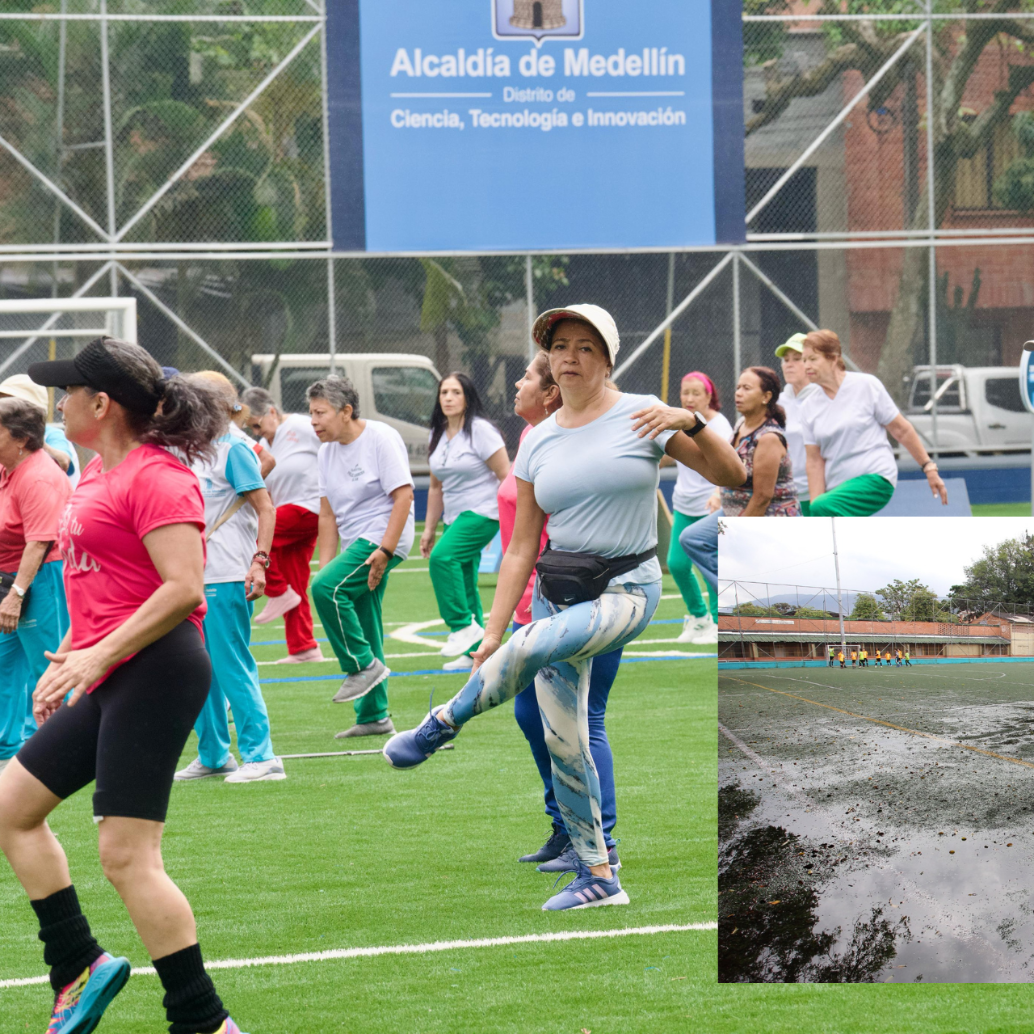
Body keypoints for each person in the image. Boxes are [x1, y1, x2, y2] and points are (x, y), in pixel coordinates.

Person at [383, 304, 746, 910]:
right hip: (559, 588)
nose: (570, 357)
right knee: (563, 736)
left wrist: (693, 418)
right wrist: (491, 632)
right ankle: (601, 878)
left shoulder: (643, 415)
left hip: (629, 590)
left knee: (533, 646)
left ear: (607, 359)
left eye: (584, 347)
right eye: (560, 347)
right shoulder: (538, 441)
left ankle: (443, 723)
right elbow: (523, 543)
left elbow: (732, 474)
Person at [0, 337, 248, 1034]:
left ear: (101, 403)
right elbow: (112, 585)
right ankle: (77, 964)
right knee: (10, 806)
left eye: (67, 391)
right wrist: (72, 653)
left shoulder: (158, 476)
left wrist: (93, 657)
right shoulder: (94, 474)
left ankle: (203, 1021)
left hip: (159, 668)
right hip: (112, 667)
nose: (58, 401)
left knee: (127, 855)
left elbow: (181, 589)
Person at [503, 351, 625, 871]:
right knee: (532, 715)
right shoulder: (533, 441)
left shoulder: (575, 448)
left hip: (577, 602)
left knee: (581, 719)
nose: (517, 382)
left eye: (528, 377)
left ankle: (600, 840)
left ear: (551, 391)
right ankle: (565, 825)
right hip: (533, 604)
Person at [175, 372, 285, 784]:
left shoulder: (234, 448)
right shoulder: (194, 446)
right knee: (197, 669)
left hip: (224, 574)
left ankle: (263, 756)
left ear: (217, 406)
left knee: (231, 665)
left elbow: (266, 506)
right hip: (193, 574)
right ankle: (214, 754)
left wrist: (260, 561)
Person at [309, 376, 415, 738]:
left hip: (383, 537)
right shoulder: (325, 452)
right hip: (356, 543)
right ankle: (374, 716)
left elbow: (403, 497)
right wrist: (328, 568)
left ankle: (361, 666)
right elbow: (327, 515)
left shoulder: (380, 438)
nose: (314, 421)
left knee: (324, 589)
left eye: (320, 413)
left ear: (346, 411)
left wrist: (385, 550)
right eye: (311, 413)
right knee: (365, 619)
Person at [800, 330, 948, 517]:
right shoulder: (808, 406)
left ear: (834, 358)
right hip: (835, 491)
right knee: (816, 514)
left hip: (876, 478)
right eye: (804, 360)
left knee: (819, 509)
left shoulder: (867, 385)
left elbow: (901, 430)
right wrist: (815, 504)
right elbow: (814, 461)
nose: (806, 366)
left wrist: (929, 467)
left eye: (813, 359)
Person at [421, 373, 510, 672]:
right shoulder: (437, 433)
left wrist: (510, 520)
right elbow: (435, 488)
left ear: (467, 397)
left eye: (455, 392)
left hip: (483, 512)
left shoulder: (481, 431)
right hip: (453, 518)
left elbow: (506, 476)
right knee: (465, 579)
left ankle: (461, 625)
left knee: (442, 558)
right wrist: (430, 529)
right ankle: (475, 650)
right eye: (443, 392)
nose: (447, 397)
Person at [0, 399, 71, 768]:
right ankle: (6, 748)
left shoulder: (38, 476)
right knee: (3, 664)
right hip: (12, 579)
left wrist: (16, 594)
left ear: (21, 439)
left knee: (50, 668)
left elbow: (40, 542)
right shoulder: (9, 467)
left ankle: (66, 751)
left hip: (40, 577)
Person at [243, 386, 324, 664]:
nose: (256, 431)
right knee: (295, 581)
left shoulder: (302, 426)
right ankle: (304, 648)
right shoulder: (265, 444)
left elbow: (331, 446)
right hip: (288, 512)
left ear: (272, 412)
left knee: (257, 537)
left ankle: (276, 592)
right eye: (250, 427)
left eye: (257, 423)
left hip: (308, 507)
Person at [664, 372, 731, 645]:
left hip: (711, 505)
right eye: (685, 392)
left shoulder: (720, 425)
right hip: (684, 503)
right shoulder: (678, 421)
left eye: (696, 393)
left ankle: (719, 623)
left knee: (709, 567)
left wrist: (718, 494)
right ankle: (699, 618)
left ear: (708, 397)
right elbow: (668, 455)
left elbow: (730, 462)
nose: (689, 398)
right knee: (676, 564)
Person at [718, 367, 801, 517]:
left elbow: (762, 498)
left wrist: (737, 532)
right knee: (692, 536)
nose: (738, 393)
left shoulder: (768, 438)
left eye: (746, 388)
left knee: (696, 539)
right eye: (738, 388)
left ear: (766, 397)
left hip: (767, 517)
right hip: (733, 512)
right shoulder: (741, 423)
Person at [0, 374, 81, 488]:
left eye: (8, 402)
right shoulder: (6, 436)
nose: (2, 406)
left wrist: (33, 438)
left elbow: (63, 462)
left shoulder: (52, 434)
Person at [774, 336, 821, 515]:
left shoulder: (823, 397)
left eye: (797, 359)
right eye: (786, 360)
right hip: (784, 496)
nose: (789, 364)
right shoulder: (776, 404)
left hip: (819, 494)